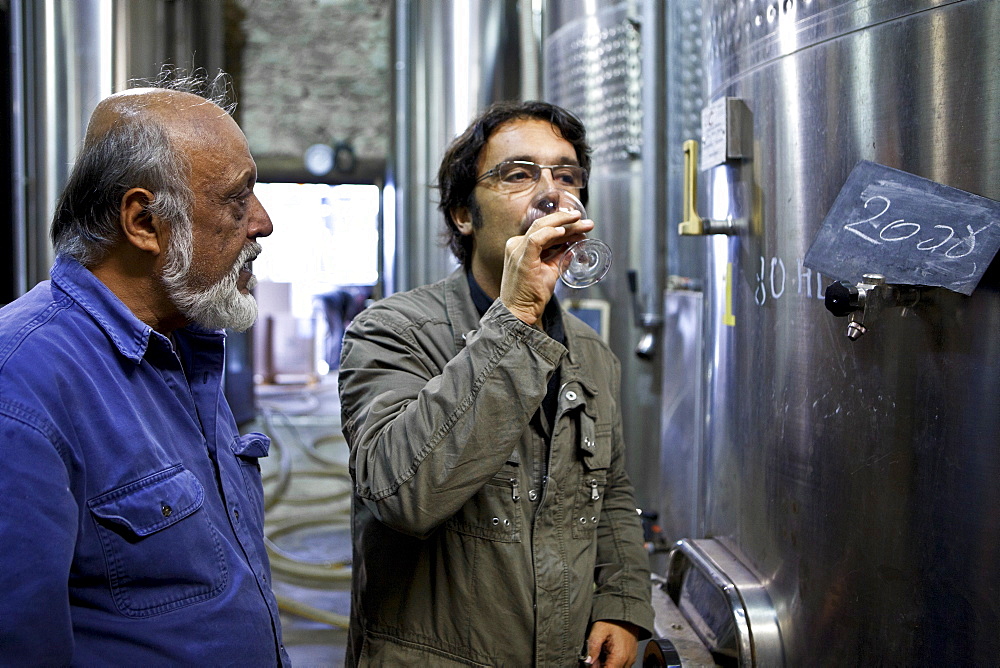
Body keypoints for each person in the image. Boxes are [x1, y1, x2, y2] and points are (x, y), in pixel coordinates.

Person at [338, 100, 654, 667]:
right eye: (518, 175)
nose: (550, 194)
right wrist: (517, 312)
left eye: (566, 175)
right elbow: (401, 494)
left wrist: (623, 604)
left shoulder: (592, 354)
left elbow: (612, 493)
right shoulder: (392, 330)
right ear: (463, 213)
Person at [0, 72, 289, 665]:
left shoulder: (185, 345)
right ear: (143, 223)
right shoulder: (22, 382)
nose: (262, 222)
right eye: (237, 199)